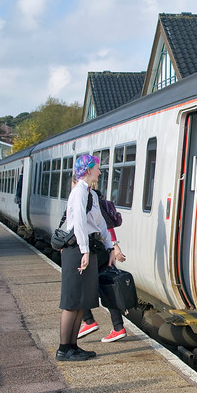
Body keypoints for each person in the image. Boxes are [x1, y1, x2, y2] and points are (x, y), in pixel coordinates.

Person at [56, 154, 125, 361]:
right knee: (71, 302)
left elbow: (101, 225)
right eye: (97, 168)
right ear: (87, 170)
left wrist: (111, 247)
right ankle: (63, 348)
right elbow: (78, 223)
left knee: (82, 300)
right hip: (76, 250)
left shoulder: (91, 194)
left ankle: (73, 346)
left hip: (88, 250)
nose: (100, 171)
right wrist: (84, 251)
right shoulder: (78, 193)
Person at [78, 188, 127, 343]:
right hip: (102, 249)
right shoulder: (94, 197)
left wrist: (114, 247)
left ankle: (88, 320)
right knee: (107, 288)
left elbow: (83, 226)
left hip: (92, 250)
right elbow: (106, 225)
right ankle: (118, 327)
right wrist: (113, 247)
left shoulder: (85, 198)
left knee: (76, 285)